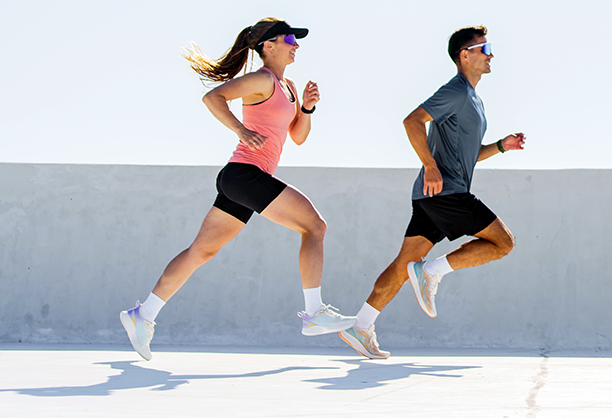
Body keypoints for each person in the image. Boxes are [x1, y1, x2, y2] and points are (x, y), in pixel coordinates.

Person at [120, 18, 355, 360]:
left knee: (201, 251)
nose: (296, 45)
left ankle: (143, 316)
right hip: (245, 174)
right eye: (289, 38)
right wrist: (240, 131)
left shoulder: (286, 85)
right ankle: (314, 313)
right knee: (315, 226)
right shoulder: (261, 80)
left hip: (240, 179)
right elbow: (213, 97)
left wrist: (306, 108)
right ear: (268, 46)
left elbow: (298, 137)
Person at [339, 25, 524, 360]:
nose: (491, 54)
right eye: (485, 48)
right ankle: (431, 272)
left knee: (402, 265)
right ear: (464, 55)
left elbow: (468, 154)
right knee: (503, 242)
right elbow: (412, 121)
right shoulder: (455, 91)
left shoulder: (473, 98)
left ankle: (361, 325)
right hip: (445, 192)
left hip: (432, 195)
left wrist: (500, 146)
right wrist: (430, 165)